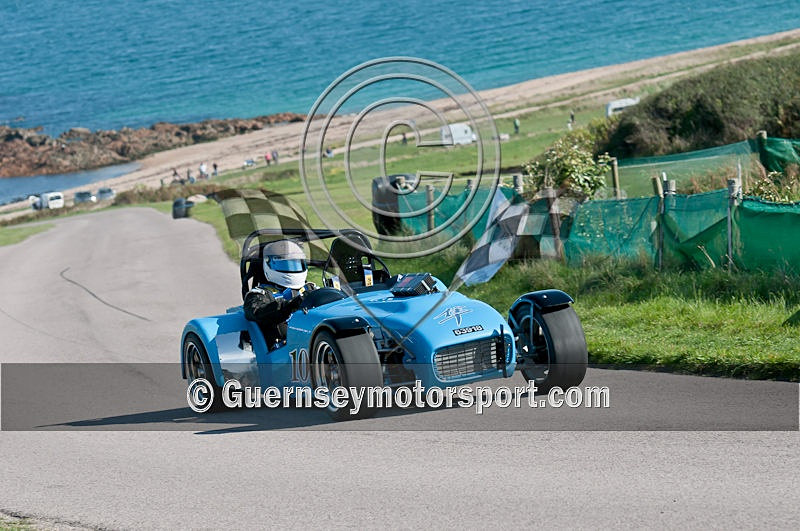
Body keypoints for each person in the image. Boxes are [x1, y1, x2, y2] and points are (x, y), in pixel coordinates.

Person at [243, 240, 315, 349]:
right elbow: (258, 312)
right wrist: (291, 305)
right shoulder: (259, 294)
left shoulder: (310, 288)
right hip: (282, 351)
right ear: (267, 263)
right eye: (284, 264)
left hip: (314, 339)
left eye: (295, 264)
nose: (291, 268)